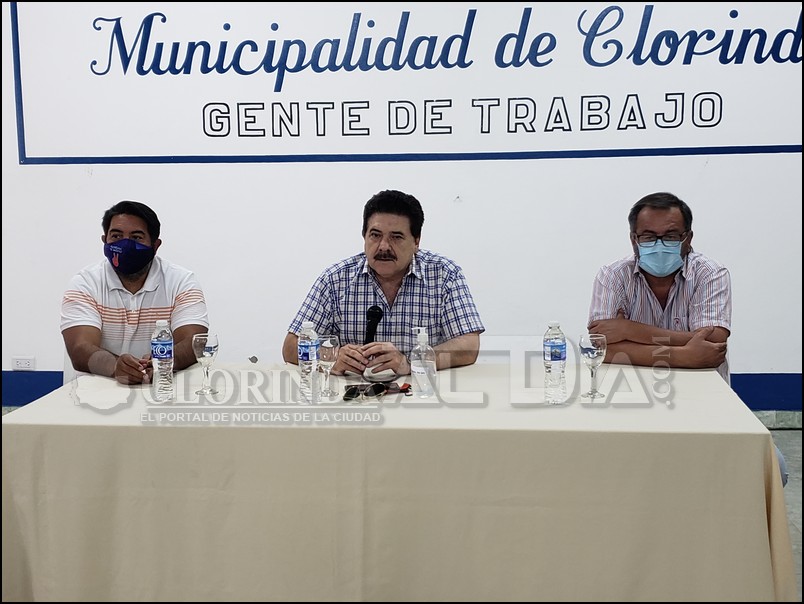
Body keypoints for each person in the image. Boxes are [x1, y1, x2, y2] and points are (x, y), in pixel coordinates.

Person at [587, 191, 787, 487]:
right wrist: (684, 356)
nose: (659, 244)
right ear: (633, 240)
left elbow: (713, 342)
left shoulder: (710, 273)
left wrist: (628, 329)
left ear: (688, 238)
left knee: (775, 470)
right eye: (648, 237)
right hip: (630, 403)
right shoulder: (612, 276)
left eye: (670, 236)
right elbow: (602, 348)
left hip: (705, 404)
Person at [282, 189, 485, 376]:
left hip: (421, 392)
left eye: (396, 237)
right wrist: (330, 357)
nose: (383, 246)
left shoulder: (444, 275)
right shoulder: (335, 280)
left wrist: (411, 362)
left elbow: (469, 346)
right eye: (375, 235)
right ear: (364, 236)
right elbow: (290, 346)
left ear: (416, 241)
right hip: (353, 395)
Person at [61, 200, 209, 385]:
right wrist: (116, 367)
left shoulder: (181, 281)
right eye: (116, 236)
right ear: (104, 240)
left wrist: (163, 362)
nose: (125, 244)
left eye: (137, 237)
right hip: (96, 391)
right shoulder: (85, 283)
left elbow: (195, 341)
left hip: (163, 388)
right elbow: (80, 348)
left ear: (155, 245)